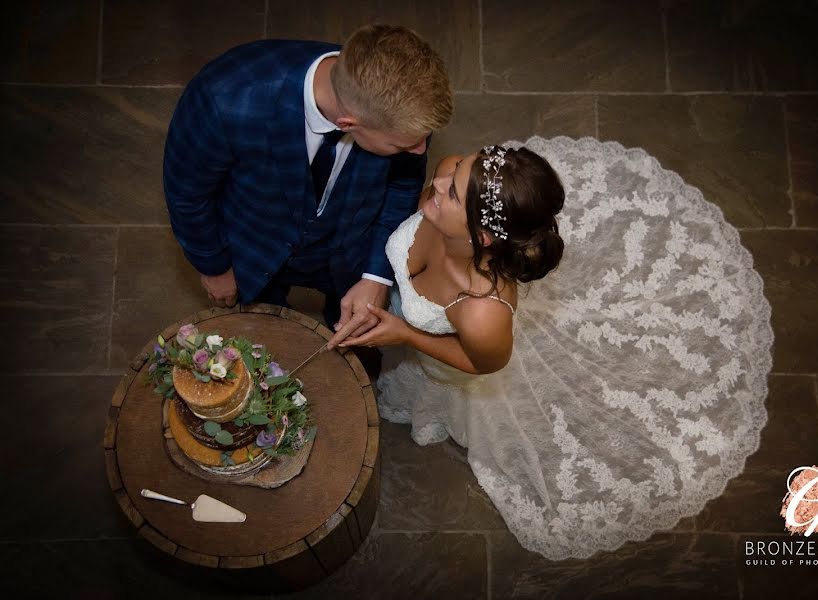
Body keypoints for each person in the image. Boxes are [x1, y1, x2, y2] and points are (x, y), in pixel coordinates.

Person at [340, 137, 773, 560]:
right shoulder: (444, 180)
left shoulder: (482, 313)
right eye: (456, 170)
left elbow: (480, 363)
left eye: (452, 189)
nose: (440, 179)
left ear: (486, 237)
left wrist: (408, 335)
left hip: (440, 355)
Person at [163, 25, 452, 340]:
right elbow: (188, 196)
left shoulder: (400, 106)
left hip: (350, 250)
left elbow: (402, 187)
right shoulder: (222, 98)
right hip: (254, 246)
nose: (421, 151)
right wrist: (215, 267)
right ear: (348, 123)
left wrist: (375, 276)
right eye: (403, 147)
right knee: (261, 339)